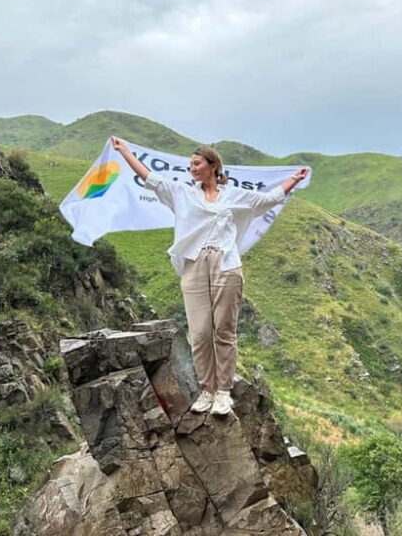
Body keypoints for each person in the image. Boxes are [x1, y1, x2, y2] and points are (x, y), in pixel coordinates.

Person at [111, 136, 309, 416]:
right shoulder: (182, 193)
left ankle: (223, 392)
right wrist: (125, 152)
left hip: (225, 264)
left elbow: (269, 199)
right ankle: (207, 389)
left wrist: (294, 179)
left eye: (196, 163)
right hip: (194, 264)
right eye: (190, 164)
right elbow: (150, 178)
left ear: (213, 165)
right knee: (201, 332)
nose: (191, 168)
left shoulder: (234, 195)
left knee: (224, 331)